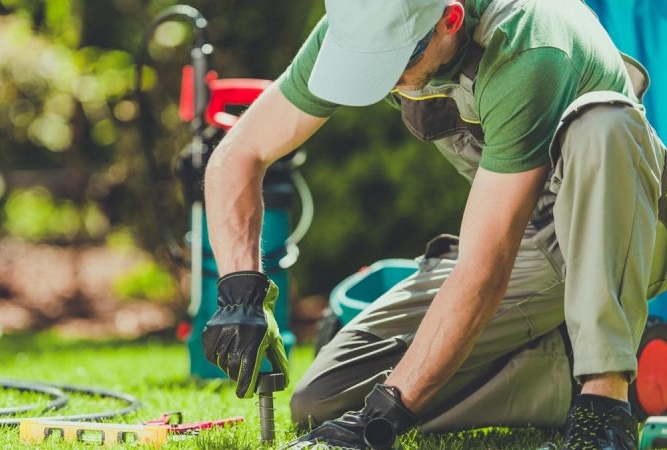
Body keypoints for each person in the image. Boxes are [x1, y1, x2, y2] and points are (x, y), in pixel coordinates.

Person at [199, 0, 667, 448]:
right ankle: (597, 360)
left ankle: (604, 400)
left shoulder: (528, 43)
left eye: (396, 62)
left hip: (622, 231)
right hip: (528, 242)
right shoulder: (362, 26)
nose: (385, 79)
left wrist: (385, 416)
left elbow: (484, 271)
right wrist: (240, 291)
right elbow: (239, 153)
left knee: (603, 124)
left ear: (450, 19)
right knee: (323, 399)